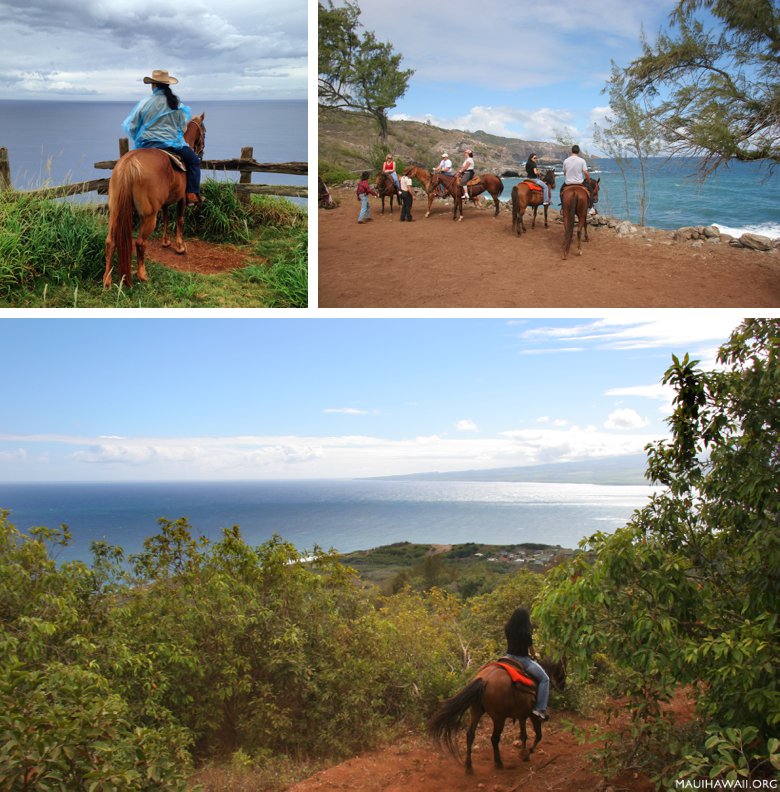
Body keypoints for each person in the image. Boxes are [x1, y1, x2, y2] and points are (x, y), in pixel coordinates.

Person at [122, 69, 203, 206]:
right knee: (194, 160)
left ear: (153, 85)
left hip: (146, 144)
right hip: (171, 144)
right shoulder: (176, 104)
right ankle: (191, 194)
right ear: (167, 85)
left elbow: (131, 127)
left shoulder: (144, 103)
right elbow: (182, 128)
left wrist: (140, 138)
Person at [503, 607, 551, 721]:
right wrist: (535, 655)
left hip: (508, 657)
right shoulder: (526, 633)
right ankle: (540, 708)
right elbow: (531, 650)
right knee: (545, 679)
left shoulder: (507, 628)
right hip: (523, 660)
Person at [561, 144, 593, 208]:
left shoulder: (566, 161)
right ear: (578, 152)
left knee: (561, 190)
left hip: (568, 183)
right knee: (591, 190)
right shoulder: (582, 160)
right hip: (579, 182)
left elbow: (564, 173)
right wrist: (588, 180)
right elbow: (586, 173)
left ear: (571, 151)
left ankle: (562, 207)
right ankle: (591, 207)